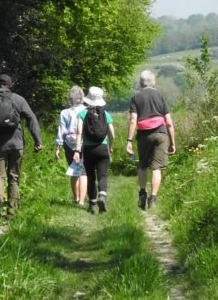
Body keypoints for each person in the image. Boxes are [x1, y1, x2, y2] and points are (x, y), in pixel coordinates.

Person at [0, 74, 43, 219]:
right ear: (10, 85)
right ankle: (11, 211)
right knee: (14, 176)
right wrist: (38, 140)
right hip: (16, 144)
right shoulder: (18, 99)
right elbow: (31, 118)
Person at [126, 70, 176, 210]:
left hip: (143, 135)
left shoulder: (136, 97)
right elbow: (169, 122)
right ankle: (153, 199)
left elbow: (133, 120)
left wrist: (129, 141)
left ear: (141, 83)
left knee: (142, 165)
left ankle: (142, 193)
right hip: (160, 134)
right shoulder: (160, 96)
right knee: (156, 168)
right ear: (153, 82)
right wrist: (172, 142)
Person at [73, 86, 115, 214]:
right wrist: (110, 148)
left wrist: (76, 150)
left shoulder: (83, 113)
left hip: (88, 149)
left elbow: (79, 133)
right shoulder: (106, 114)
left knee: (90, 176)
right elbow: (112, 135)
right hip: (102, 148)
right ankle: (102, 196)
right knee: (102, 175)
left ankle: (92, 204)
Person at [55, 85, 87, 206]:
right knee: (83, 172)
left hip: (68, 143)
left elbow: (61, 130)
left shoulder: (64, 112)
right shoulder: (86, 110)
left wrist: (58, 147)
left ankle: (76, 198)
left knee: (74, 170)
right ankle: (82, 200)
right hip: (83, 142)